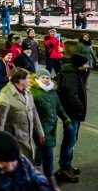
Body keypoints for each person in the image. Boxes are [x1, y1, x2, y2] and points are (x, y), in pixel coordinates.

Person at [30, 69, 72, 189]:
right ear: (38, 79)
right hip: (41, 131)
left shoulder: (52, 92)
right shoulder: (33, 93)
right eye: (43, 77)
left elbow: (59, 107)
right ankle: (51, 183)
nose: (46, 80)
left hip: (51, 128)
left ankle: (36, 168)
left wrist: (66, 119)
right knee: (48, 158)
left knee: (40, 149)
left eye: (47, 77)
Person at [0, 67, 45, 162]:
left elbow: (34, 112)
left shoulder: (27, 92)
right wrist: (0, 147)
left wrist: (40, 132)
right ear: (20, 80)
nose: (30, 80)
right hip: (14, 140)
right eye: (28, 78)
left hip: (27, 137)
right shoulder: (5, 95)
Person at [57, 53, 90, 183]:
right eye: (86, 64)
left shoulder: (75, 73)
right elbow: (72, 96)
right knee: (70, 141)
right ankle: (64, 168)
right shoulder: (72, 76)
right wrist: (80, 107)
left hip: (73, 113)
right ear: (79, 65)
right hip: (72, 113)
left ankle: (67, 164)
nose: (88, 66)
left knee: (72, 139)